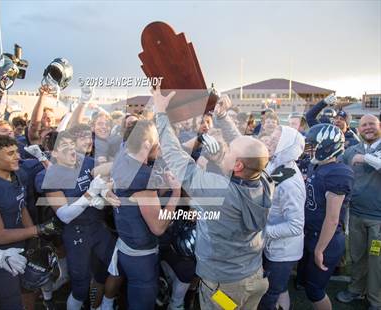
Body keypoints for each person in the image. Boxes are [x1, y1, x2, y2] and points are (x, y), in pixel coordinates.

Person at [152, 89, 274, 310]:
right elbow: (245, 147)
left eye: (229, 152)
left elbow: (175, 157)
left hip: (223, 286)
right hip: (254, 277)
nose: (224, 151)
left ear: (237, 166)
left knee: (225, 307)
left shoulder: (219, 191)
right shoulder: (265, 180)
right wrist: (222, 117)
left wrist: (160, 114)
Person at [0, 135, 59, 309]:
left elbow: (21, 206)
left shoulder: (15, 174)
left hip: (23, 243)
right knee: (11, 302)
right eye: (10, 153)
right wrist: (38, 230)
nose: (18, 156)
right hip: (1, 255)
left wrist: (33, 240)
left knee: (29, 288)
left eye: (17, 151)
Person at [35, 131, 121, 310]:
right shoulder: (49, 176)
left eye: (72, 145)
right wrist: (90, 194)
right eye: (65, 147)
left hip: (97, 227)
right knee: (80, 287)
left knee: (115, 266)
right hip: (75, 232)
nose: (72, 150)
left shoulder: (86, 162)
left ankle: (102, 304)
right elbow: (65, 215)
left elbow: (102, 179)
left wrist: (105, 194)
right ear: (54, 153)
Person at [111, 120, 181, 310]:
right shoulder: (144, 177)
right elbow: (158, 227)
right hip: (140, 255)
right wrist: (176, 193)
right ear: (146, 144)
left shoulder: (122, 157)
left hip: (125, 244)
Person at [298, 123, 354, 310]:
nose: (310, 149)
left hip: (325, 241)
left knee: (315, 291)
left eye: (314, 145)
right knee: (308, 285)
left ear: (328, 147)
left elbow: (332, 218)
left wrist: (319, 249)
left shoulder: (338, 172)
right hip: (311, 235)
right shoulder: (318, 167)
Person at [258, 125, 306, 310]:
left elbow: (295, 225)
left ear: (287, 145)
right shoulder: (276, 163)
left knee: (270, 294)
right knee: (277, 289)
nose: (270, 139)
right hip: (273, 245)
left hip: (282, 252)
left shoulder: (290, 183)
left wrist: (262, 232)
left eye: (276, 138)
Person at [337, 114, 381, 310]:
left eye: (372, 124)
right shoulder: (352, 150)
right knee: (357, 256)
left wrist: (365, 158)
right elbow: (337, 168)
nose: (368, 128)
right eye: (364, 125)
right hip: (355, 215)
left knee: (376, 259)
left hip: (378, 220)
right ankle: (356, 289)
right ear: (359, 128)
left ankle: (375, 299)